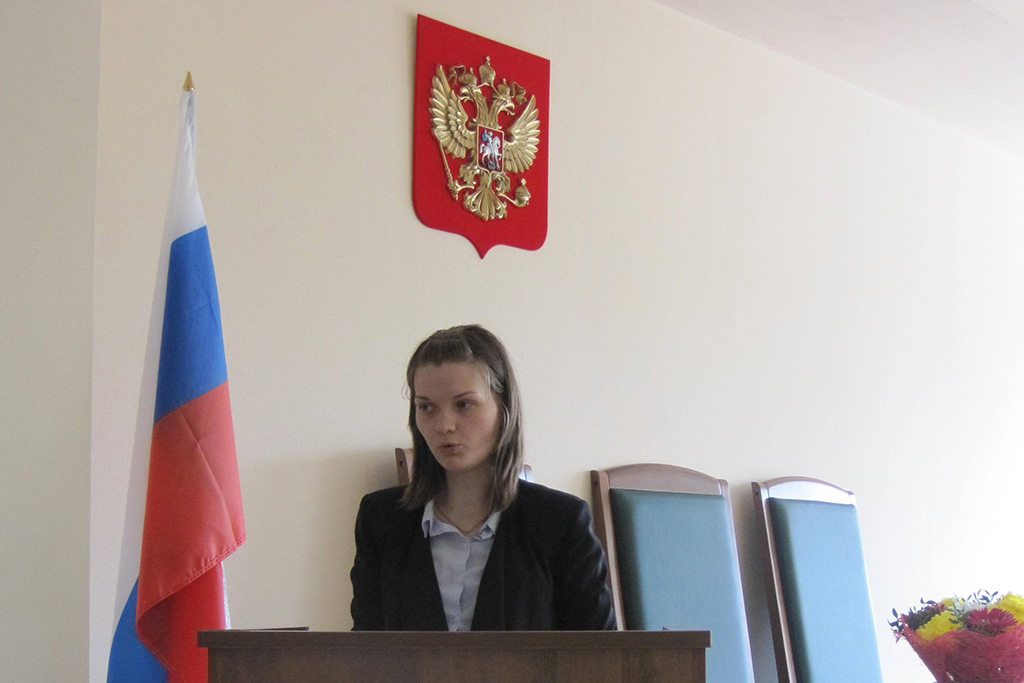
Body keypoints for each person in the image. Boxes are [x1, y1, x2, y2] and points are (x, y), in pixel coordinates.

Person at [350, 324, 615, 631]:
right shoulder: (381, 519)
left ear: (504, 408)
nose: (444, 425)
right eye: (426, 407)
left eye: (464, 405)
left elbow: (601, 651)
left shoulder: (560, 522)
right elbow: (365, 647)